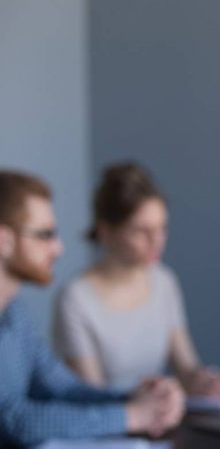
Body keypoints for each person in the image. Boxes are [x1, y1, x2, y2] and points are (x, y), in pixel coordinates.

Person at [0, 170, 184, 446]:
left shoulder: (16, 313)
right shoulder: (73, 298)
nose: (58, 248)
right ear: (4, 241)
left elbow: (61, 387)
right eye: (45, 234)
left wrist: (136, 399)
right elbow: (14, 419)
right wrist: (131, 416)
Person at [53, 162, 220, 397]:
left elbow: (186, 368)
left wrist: (207, 382)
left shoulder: (164, 281)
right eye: (141, 231)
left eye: (162, 228)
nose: (157, 241)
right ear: (105, 231)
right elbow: (92, 396)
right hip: (114, 426)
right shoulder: (75, 299)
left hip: (156, 418)